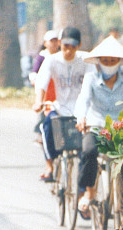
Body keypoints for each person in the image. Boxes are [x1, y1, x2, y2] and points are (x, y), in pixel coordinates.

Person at [74, 35, 123, 218]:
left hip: (120, 128)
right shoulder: (91, 78)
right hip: (95, 126)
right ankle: (89, 192)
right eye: (105, 60)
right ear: (99, 62)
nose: (109, 63)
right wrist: (81, 118)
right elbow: (84, 100)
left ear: (119, 62)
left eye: (113, 60)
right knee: (89, 152)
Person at [33, 27, 92, 182]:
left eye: (73, 47)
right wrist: (39, 101)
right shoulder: (52, 60)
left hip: (82, 110)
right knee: (46, 126)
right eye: (65, 46)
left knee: (87, 145)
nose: (68, 51)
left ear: (79, 45)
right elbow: (42, 81)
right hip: (60, 107)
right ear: (60, 43)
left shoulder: (86, 59)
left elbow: (91, 82)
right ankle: (50, 165)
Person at [28, 30, 59, 148]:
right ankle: (40, 133)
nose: (54, 44)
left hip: (57, 88)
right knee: (43, 110)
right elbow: (34, 71)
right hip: (45, 88)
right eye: (51, 41)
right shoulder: (42, 57)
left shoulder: (61, 55)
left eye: (56, 41)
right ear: (45, 43)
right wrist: (35, 80)